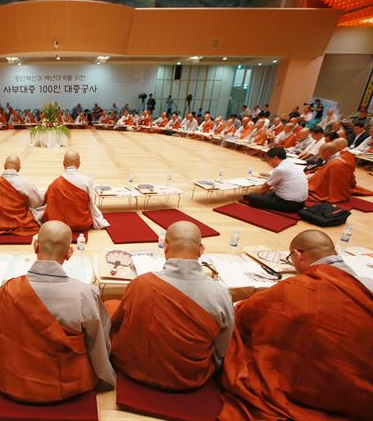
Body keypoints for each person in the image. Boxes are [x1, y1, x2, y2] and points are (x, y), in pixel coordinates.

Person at [220, 230, 372, 420]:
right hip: (361, 391)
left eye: (290, 257)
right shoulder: (365, 284)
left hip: (315, 382)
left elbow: (248, 313)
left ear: (298, 255)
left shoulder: (297, 288)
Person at [0, 220, 116, 403]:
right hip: (68, 382)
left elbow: (0, 337)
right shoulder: (85, 294)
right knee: (110, 311)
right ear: (69, 253)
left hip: (18, 381)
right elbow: (97, 341)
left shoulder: (10, 288)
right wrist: (105, 375)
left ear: (35, 246)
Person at [106, 221, 233, 390]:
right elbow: (222, 347)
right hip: (190, 377)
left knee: (110, 306)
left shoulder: (141, 284)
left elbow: (118, 323)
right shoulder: (220, 293)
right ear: (201, 249)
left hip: (133, 368)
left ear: (165, 247)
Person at [0, 155, 43, 236]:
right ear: (19, 168)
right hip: (19, 220)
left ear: (4, 166)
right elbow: (37, 203)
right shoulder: (26, 183)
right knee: (42, 210)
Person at [42, 151, 109, 231]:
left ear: (63, 163)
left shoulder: (55, 183)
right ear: (79, 164)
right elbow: (91, 204)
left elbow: (47, 201)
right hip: (81, 224)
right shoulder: (87, 181)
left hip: (59, 225)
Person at [243, 147, 307, 212]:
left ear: (275, 158)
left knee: (252, 197)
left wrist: (256, 196)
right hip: (301, 203)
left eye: (269, 160)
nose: (268, 163)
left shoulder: (280, 169)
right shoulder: (290, 164)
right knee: (271, 192)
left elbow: (265, 186)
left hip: (289, 205)